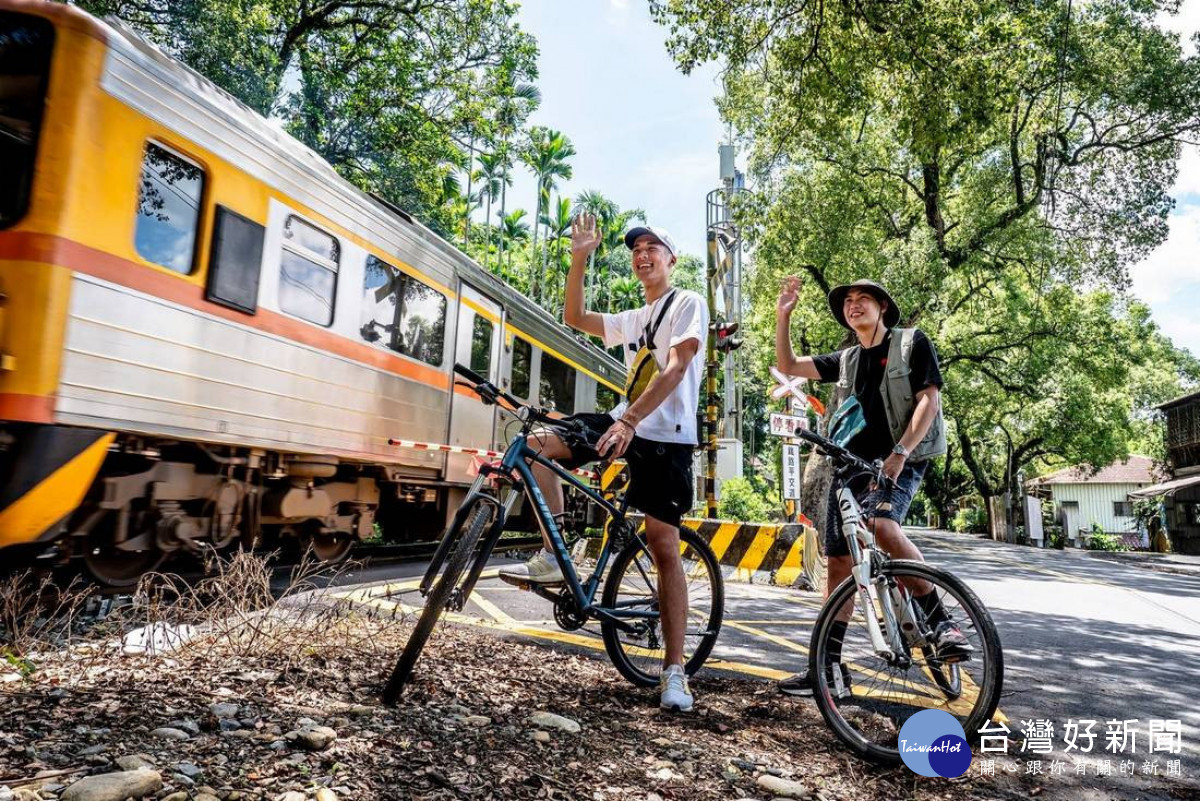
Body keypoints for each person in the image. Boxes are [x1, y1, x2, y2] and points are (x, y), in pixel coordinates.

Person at [498, 214, 707, 713]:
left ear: (671, 259)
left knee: (662, 544)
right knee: (540, 445)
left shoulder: (687, 304)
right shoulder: (635, 317)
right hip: (622, 421)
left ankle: (675, 672)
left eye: (654, 246)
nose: (643, 254)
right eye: (637, 248)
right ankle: (555, 551)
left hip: (664, 436)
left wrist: (632, 420)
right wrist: (579, 257)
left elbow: (677, 367)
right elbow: (575, 317)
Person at [773, 275, 971, 696]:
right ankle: (827, 668)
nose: (854, 305)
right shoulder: (845, 360)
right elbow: (789, 365)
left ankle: (941, 621)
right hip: (849, 467)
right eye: (848, 301)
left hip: (902, 456)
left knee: (882, 527)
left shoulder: (911, 343)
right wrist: (783, 316)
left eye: (864, 299)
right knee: (839, 564)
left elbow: (928, 401)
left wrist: (899, 453)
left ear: (883, 308)